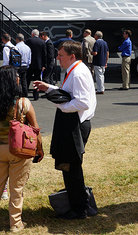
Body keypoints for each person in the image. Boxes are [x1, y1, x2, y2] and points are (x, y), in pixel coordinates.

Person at [33, 40, 97, 219]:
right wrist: (50, 89)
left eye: (61, 55)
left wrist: (60, 105)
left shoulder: (78, 73)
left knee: (72, 167)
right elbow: (69, 93)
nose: (57, 58)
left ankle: (79, 209)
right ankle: (76, 203)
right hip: (72, 122)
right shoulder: (74, 70)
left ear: (72, 56)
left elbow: (82, 102)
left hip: (75, 125)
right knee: (70, 166)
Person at [0, 66, 44, 232]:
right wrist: (40, 149)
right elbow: (35, 129)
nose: (18, 78)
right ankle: (15, 224)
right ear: (11, 81)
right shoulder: (23, 103)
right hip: (20, 150)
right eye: (16, 76)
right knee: (16, 187)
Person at [25, 29, 46, 101]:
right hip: (39, 64)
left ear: (33, 34)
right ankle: (36, 96)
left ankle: (25, 94)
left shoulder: (29, 41)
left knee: (27, 79)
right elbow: (44, 54)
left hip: (30, 63)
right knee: (37, 80)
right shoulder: (42, 42)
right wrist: (44, 64)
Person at [15, 33, 32, 98]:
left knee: (17, 80)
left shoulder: (16, 47)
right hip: (25, 66)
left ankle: (18, 93)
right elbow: (29, 58)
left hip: (19, 65)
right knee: (24, 80)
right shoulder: (28, 47)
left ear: (17, 39)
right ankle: (25, 93)